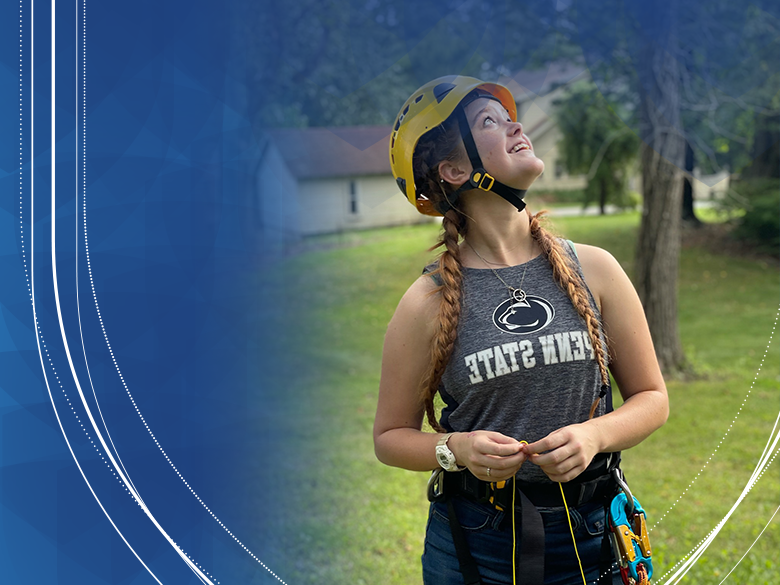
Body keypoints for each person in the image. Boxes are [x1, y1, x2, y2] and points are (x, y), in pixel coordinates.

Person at [373, 75, 668, 585]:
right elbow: (389, 438)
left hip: (595, 533)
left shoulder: (594, 269)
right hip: (475, 542)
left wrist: (595, 434)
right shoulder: (427, 301)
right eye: (489, 121)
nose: (514, 123)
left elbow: (652, 397)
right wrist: (457, 449)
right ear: (455, 169)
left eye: (509, 115)